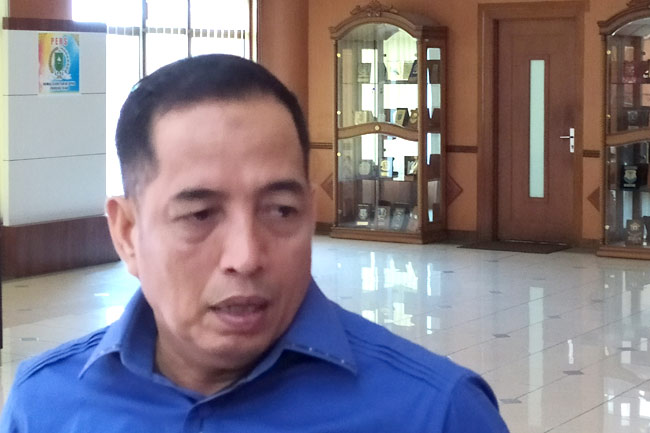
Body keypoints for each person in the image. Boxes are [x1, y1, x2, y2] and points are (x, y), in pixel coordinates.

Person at [0, 54, 509, 432]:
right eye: (200, 215)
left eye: (280, 210)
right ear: (128, 234)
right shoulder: (45, 406)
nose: (246, 257)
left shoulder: (436, 413)